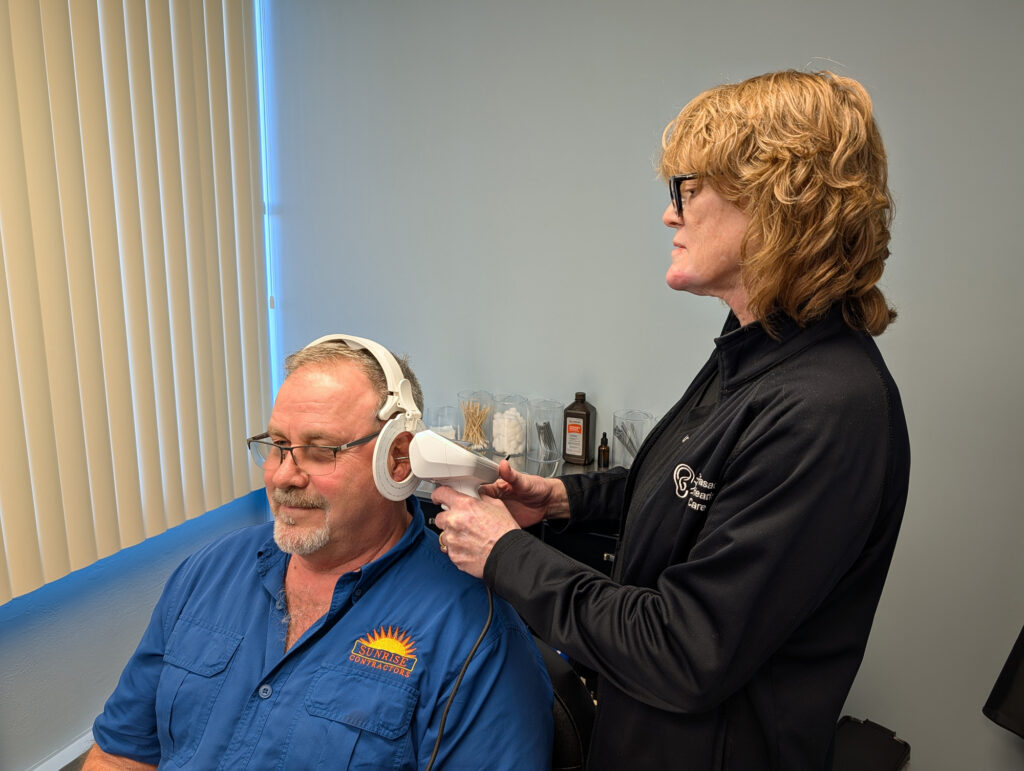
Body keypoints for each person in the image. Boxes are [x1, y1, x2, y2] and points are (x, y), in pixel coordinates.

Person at [433, 70, 910, 770]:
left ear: (777, 202)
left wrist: (507, 555)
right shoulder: (756, 349)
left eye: (688, 189)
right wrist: (562, 500)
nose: (670, 213)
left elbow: (684, 648)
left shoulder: (826, 408)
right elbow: (686, 485)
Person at [85, 336, 552, 770]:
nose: (283, 476)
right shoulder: (208, 572)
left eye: (319, 450)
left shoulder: (475, 632)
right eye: (278, 446)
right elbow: (121, 753)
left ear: (398, 459)